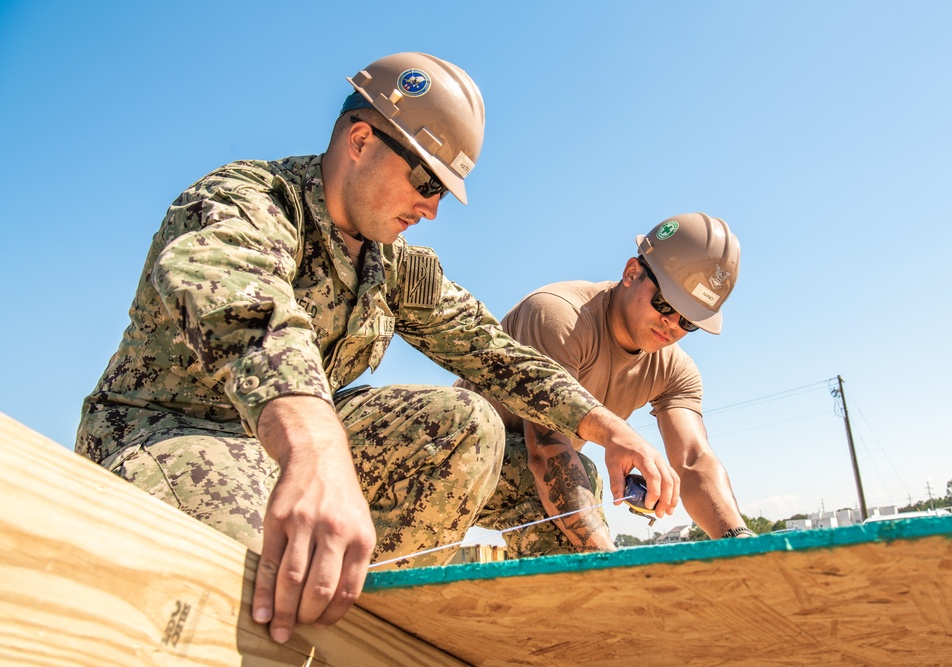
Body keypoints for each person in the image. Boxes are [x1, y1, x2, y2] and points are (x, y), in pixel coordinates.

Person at [75, 52, 680, 643]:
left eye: (442, 192)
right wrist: (316, 450)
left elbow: (493, 353)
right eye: (424, 181)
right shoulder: (247, 201)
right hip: (174, 430)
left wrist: (608, 428)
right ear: (360, 141)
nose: (432, 209)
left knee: (475, 427)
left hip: (297, 450)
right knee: (264, 588)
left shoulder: (392, 265)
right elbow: (246, 310)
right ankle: (333, 634)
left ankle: (549, 643)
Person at [461, 213, 753, 555]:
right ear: (631, 273)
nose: (671, 324)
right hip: (454, 463)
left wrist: (740, 542)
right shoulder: (560, 317)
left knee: (574, 501)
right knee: (578, 481)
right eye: (665, 303)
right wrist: (608, 564)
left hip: (523, 482)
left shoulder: (675, 371)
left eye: (688, 320)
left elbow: (693, 460)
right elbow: (545, 449)